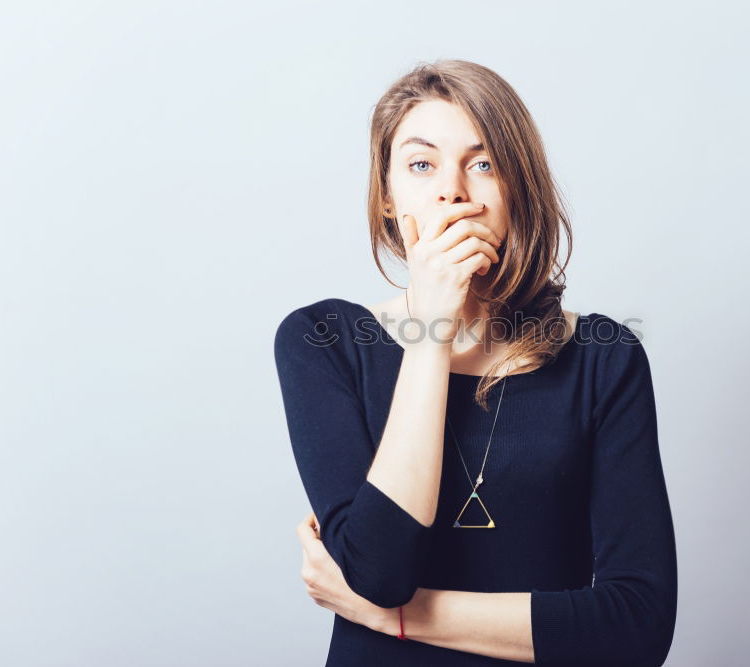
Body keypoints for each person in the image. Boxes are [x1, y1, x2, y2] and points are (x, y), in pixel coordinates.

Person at [274, 59, 677, 666]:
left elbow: (637, 626)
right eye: (421, 164)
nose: (453, 191)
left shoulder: (604, 359)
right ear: (388, 198)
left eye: (483, 164)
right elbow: (380, 570)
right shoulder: (323, 340)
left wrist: (397, 619)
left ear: (517, 192)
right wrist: (432, 327)